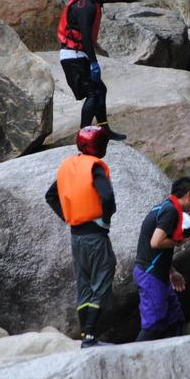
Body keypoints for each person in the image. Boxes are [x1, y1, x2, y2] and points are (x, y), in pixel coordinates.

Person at [45, 126, 117, 347]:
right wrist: (106, 218)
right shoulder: (94, 167)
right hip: (95, 236)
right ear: (98, 146)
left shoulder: (69, 166)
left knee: (84, 284)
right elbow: (106, 196)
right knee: (102, 281)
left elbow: (50, 196)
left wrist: (69, 216)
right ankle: (90, 335)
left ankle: (87, 336)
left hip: (76, 237)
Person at [57, 0, 126, 141]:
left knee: (100, 89)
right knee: (93, 94)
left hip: (78, 55)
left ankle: (105, 130)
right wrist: (94, 62)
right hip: (73, 56)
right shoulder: (86, 5)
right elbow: (86, 38)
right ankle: (84, 135)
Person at [133, 177, 190, 341]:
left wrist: (172, 272)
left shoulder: (166, 208)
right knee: (154, 323)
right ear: (189, 195)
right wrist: (180, 241)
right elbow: (156, 242)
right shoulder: (170, 211)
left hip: (160, 274)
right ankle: (132, 358)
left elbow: (158, 248)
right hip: (150, 274)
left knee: (174, 317)